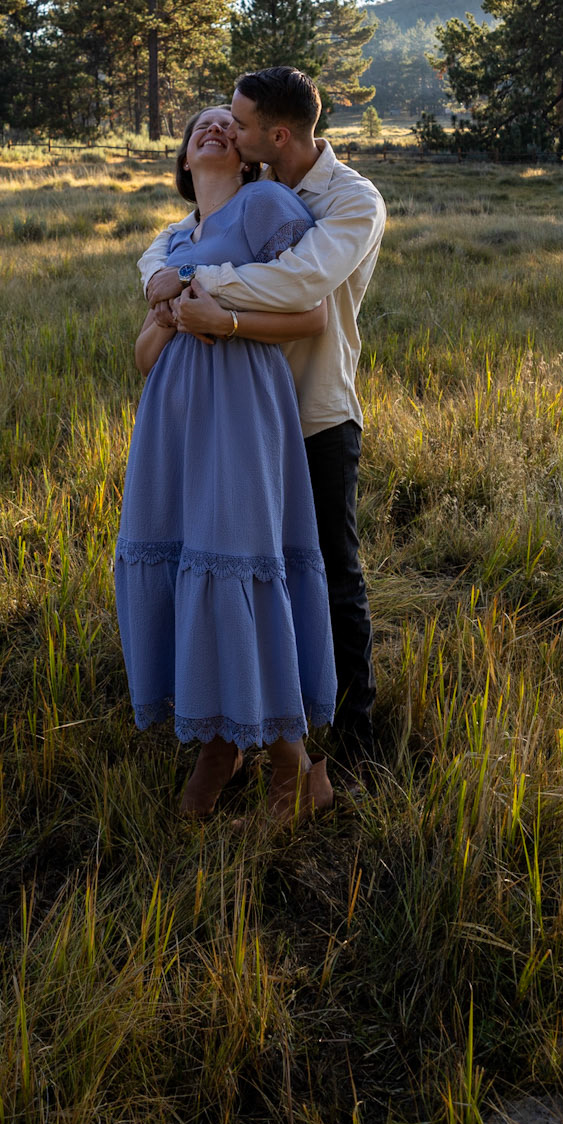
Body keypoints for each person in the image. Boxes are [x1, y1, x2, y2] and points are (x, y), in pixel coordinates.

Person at [140, 66, 387, 775]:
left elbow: (303, 285)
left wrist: (193, 284)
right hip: (233, 426)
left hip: (311, 410)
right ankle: (244, 725)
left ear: (275, 136)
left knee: (327, 575)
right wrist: (158, 265)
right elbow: (183, 233)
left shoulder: (348, 202)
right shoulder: (251, 192)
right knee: (241, 569)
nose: (229, 132)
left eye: (240, 125)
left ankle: (353, 738)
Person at [116, 105, 338, 822]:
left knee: (238, 562)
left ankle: (291, 762)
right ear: (183, 161)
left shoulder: (264, 204)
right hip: (172, 420)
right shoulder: (175, 239)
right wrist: (167, 315)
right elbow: (145, 359)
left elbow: (311, 316)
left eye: (225, 124)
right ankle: (219, 741)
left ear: (243, 153)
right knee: (190, 564)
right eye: (197, 127)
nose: (212, 130)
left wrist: (223, 319)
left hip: (242, 407)